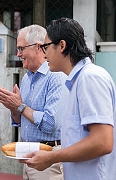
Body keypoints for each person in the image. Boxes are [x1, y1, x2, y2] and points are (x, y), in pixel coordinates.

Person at [20, 17, 116, 180]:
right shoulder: (76, 80)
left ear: (62, 46)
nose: (44, 53)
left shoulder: (89, 77)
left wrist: (51, 157)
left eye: (46, 47)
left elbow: (102, 142)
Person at [0, 25, 68, 180]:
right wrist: (13, 108)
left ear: (38, 48)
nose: (18, 54)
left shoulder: (55, 76)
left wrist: (20, 106)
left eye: (21, 48)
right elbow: (20, 120)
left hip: (49, 157)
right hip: (28, 157)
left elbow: (50, 123)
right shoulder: (27, 78)